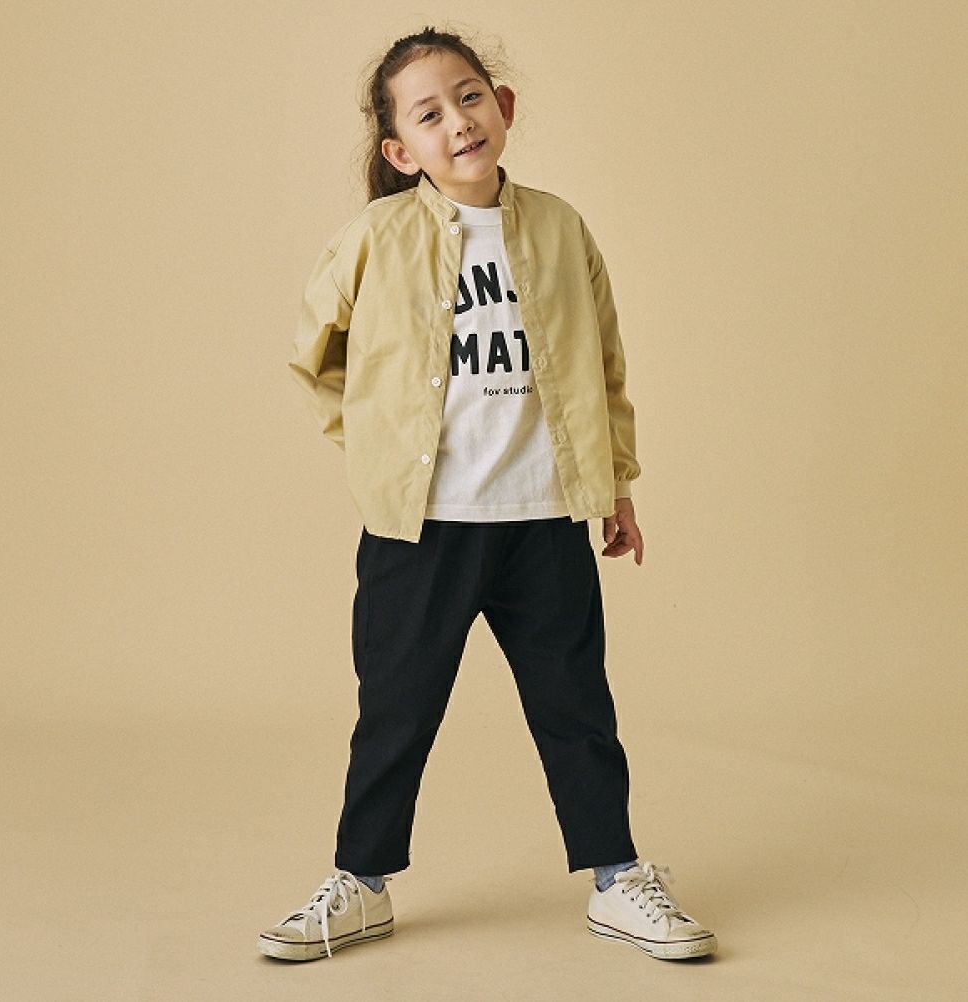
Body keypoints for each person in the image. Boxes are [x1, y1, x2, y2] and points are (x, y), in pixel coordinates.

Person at [257, 25, 717, 964]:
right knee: (395, 711)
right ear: (401, 151)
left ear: (502, 107)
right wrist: (379, 449)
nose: (458, 121)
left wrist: (616, 485)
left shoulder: (559, 228)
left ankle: (618, 878)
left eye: (470, 97)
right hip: (420, 528)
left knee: (576, 709)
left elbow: (604, 365)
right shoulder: (374, 238)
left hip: (543, 519)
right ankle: (362, 882)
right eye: (429, 114)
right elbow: (314, 359)